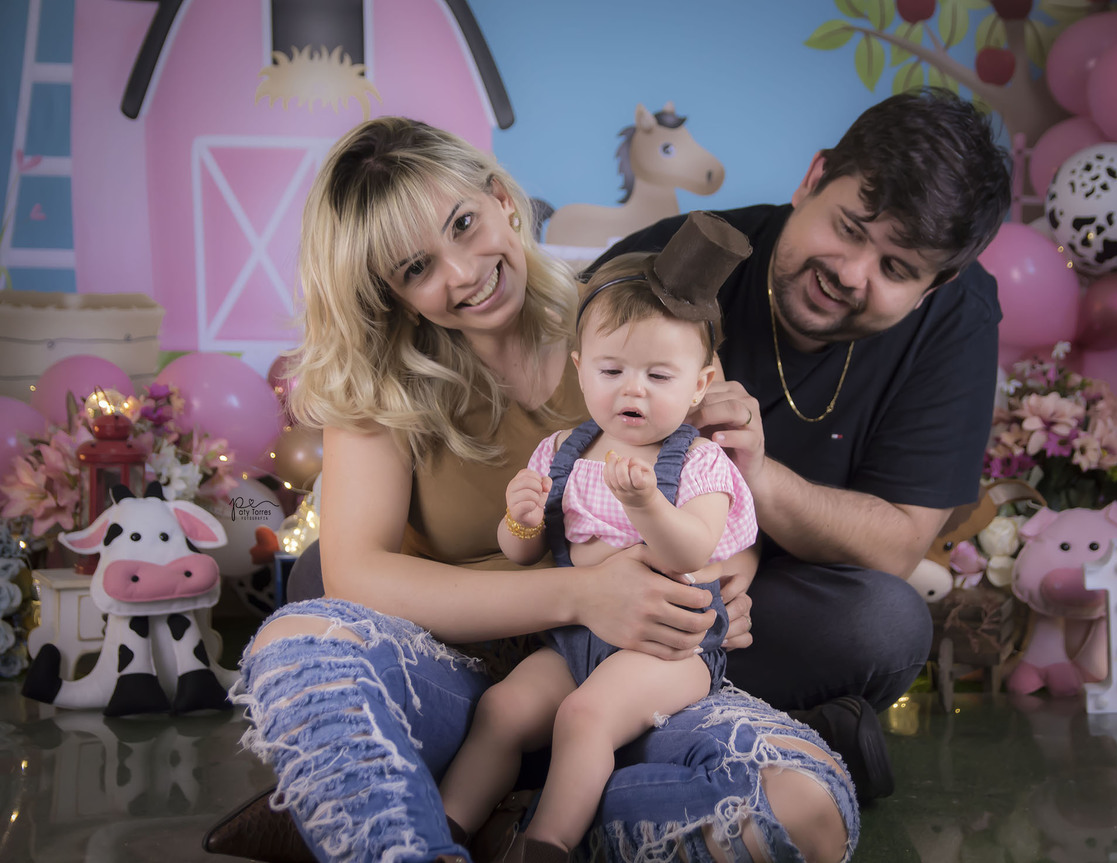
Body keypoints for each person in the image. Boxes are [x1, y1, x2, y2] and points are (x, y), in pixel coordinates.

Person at [227, 116, 857, 863]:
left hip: (630, 674)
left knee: (807, 811)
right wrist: (581, 595)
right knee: (296, 645)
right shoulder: (379, 383)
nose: (463, 272)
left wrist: (721, 580)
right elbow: (356, 574)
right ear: (389, 291)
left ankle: (515, 830)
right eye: (417, 267)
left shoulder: (624, 327)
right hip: (455, 679)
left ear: (502, 200)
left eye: (464, 224)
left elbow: (712, 503)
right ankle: (438, 838)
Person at [589, 87, 1013, 802]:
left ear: (935, 284)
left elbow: (897, 542)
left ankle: (632, 734)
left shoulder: (958, 317)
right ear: (813, 177)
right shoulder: (677, 258)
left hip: (771, 610)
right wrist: (667, 568)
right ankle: (745, 741)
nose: (852, 272)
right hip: (620, 576)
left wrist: (755, 474)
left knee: (885, 623)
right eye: (849, 228)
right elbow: (562, 451)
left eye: (896, 269)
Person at [438, 213, 759, 863]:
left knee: (584, 716)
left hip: (668, 648)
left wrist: (646, 504)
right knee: (503, 708)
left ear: (699, 384)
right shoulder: (562, 451)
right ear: (582, 370)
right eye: (612, 370)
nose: (632, 389)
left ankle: (547, 843)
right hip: (574, 638)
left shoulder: (698, 463)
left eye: (659, 376)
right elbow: (524, 554)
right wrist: (520, 518)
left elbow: (692, 550)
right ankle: (443, 831)